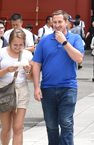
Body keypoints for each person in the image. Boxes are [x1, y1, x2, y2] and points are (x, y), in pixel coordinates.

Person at [31, 10, 84, 145]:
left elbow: (78, 58)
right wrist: (36, 87)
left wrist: (64, 42)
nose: (57, 25)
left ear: (66, 22)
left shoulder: (75, 38)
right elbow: (36, 64)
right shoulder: (44, 40)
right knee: (51, 126)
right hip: (47, 88)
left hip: (68, 87)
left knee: (66, 123)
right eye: (54, 22)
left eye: (60, 22)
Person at [0, 29, 34, 145]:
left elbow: (30, 78)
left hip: (22, 89)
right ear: (9, 42)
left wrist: (28, 71)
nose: (18, 47)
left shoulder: (28, 54)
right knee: (6, 129)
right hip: (4, 90)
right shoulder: (1, 53)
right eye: (15, 44)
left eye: (21, 45)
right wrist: (6, 70)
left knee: (17, 127)